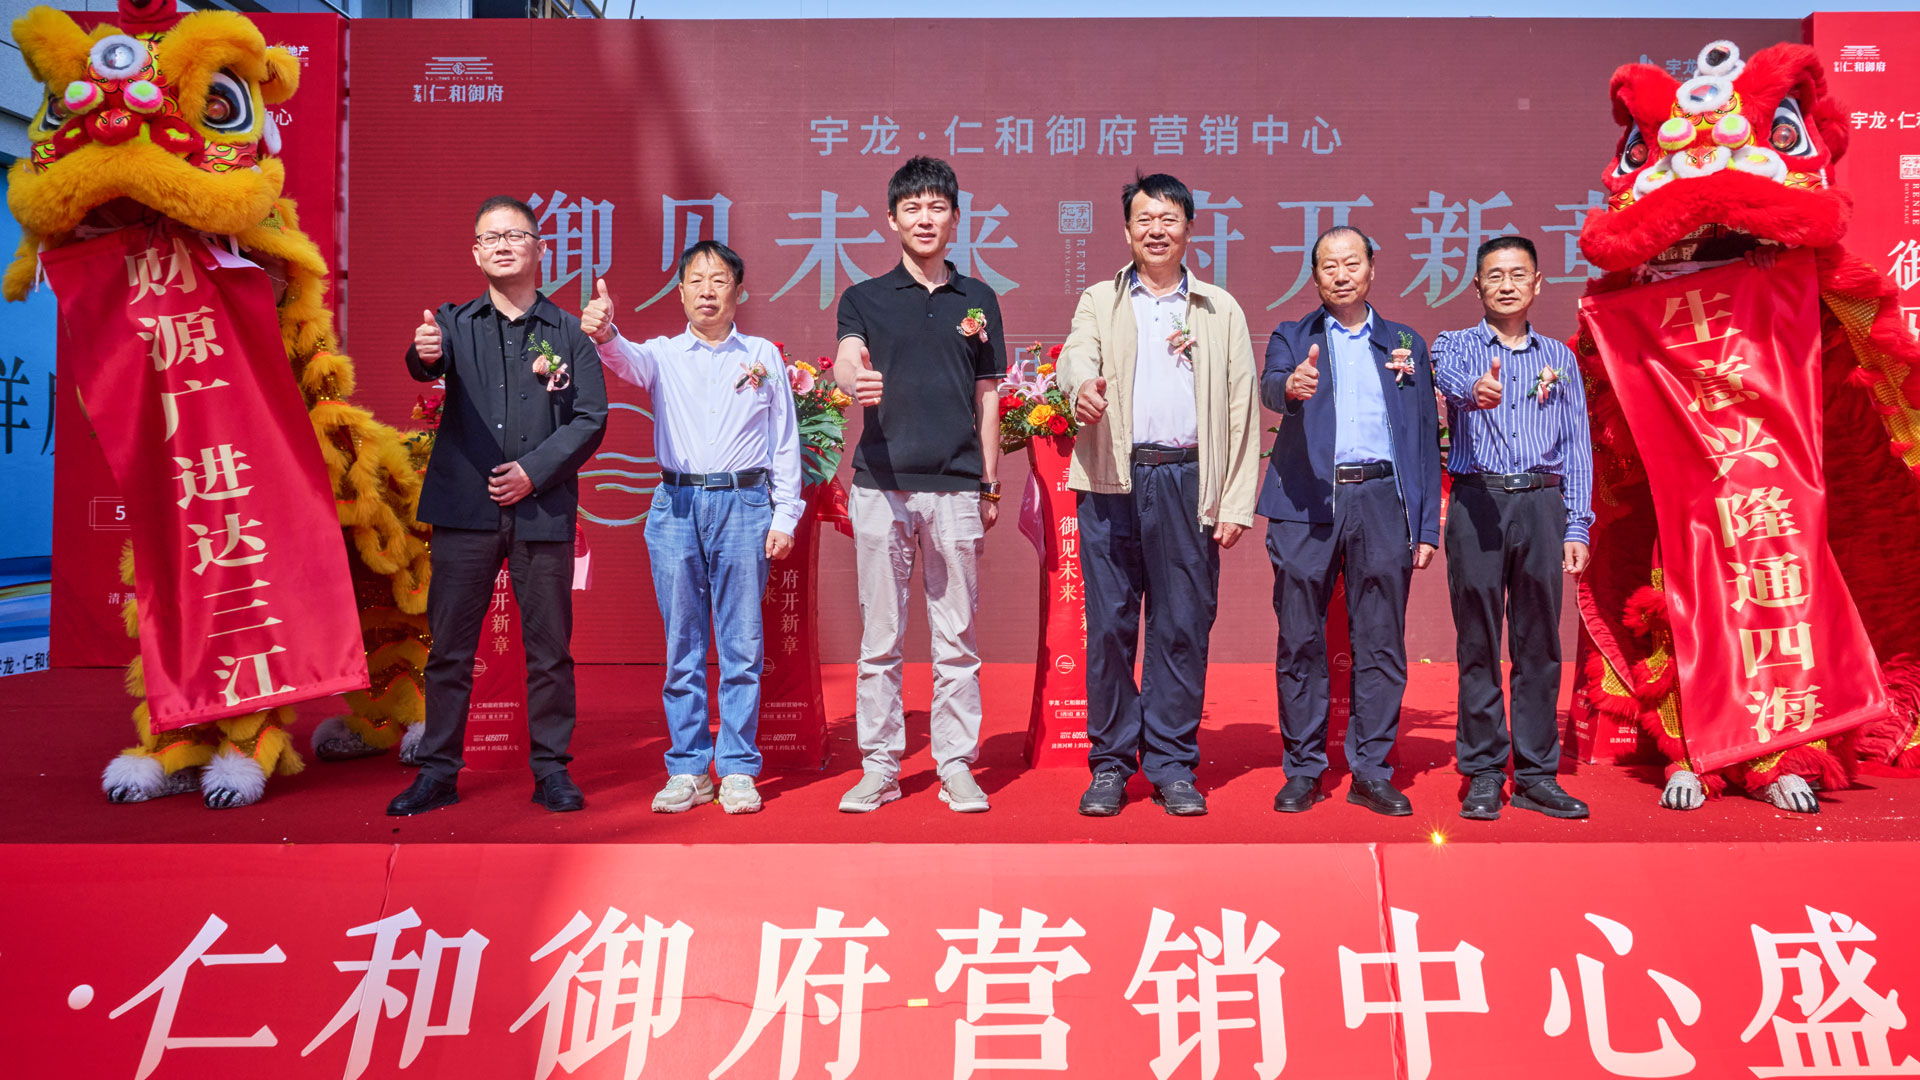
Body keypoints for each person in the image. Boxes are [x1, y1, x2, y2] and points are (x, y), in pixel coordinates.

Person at [388, 195, 608, 816]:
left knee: (550, 652)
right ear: (476, 253)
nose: (503, 245)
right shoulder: (453, 324)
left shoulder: (569, 333)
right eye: (491, 237)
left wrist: (534, 473)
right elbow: (425, 361)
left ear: (540, 248)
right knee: (450, 649)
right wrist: (424, 352)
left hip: (542, 512)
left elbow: (591, 417)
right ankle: (438, 772)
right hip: (466, 509)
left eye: (515, 235)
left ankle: (551, 771)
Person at [1058, 172, 1261, 817]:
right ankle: (1111, 764)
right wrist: (1081, 385)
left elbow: (1242, 409)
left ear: (1189, 229)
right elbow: (1075, 355)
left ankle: (1172, 763)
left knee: (1182, 627)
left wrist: (1235, 501)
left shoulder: (1219, 309)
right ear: (1127, 230)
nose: (1156, 230)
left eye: (1169, 218)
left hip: (1188, 481)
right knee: (1110, 629)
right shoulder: (1100, 299)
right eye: (1144, 219)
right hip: (1112, 481)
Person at [581, 242, 801, 816]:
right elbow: (623, 358)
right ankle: (687, 768)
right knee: (683, 644)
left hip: (745, 504)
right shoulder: (662, 354)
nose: (707, 290)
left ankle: (738, 768)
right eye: (696, 280)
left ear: (738, 292)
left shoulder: (761, 355)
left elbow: (783, 440)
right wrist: (605, 332)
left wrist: (785, 514)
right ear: (679, 293)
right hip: (676, 505)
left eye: (719, 279)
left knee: (742, 644)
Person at [831, 156, 1005, 814]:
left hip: (956, 487)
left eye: (937, 207)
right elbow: (847, 357)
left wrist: (989, 484)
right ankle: (879, 766)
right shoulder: (864, 297)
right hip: (882, 486)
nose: (924, 218)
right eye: (913, 208)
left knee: (956, 638)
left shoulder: (978, 299)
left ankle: (956, 764)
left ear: (954, 218)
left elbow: (988, 396)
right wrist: (853, 377)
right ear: (892, 219)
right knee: (880, 641)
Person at [1259, 226, 1443, 818]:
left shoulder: (1405, 343)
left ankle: (1371, 770)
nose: (1341, 275)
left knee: (1381, 640)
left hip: (1384, 500)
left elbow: (1424, 436)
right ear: (1314, 276)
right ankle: (1304, 768)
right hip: (1307, 502)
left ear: (1371, 269)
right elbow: (1271, 386)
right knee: (1299, 638)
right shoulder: (1292, 336)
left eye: (1351, 263)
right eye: (1328, 266)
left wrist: (1426, 526)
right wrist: (1292, 386)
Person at [1433, 235, 1593, 821]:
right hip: (1478, 502)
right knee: (1478, 640)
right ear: (1477, 285)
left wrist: (1577, 525)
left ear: (1537, 284)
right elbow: (1450, 380)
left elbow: (1577, 445)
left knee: (1539, 643)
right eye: (1494, 275)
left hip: (1542, 505)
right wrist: (1474, 392)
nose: (1506, 285)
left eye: (1517, 274)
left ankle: (1535, 774)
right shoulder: (1454, 345)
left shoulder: (1560, 359)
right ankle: (1481, 770)